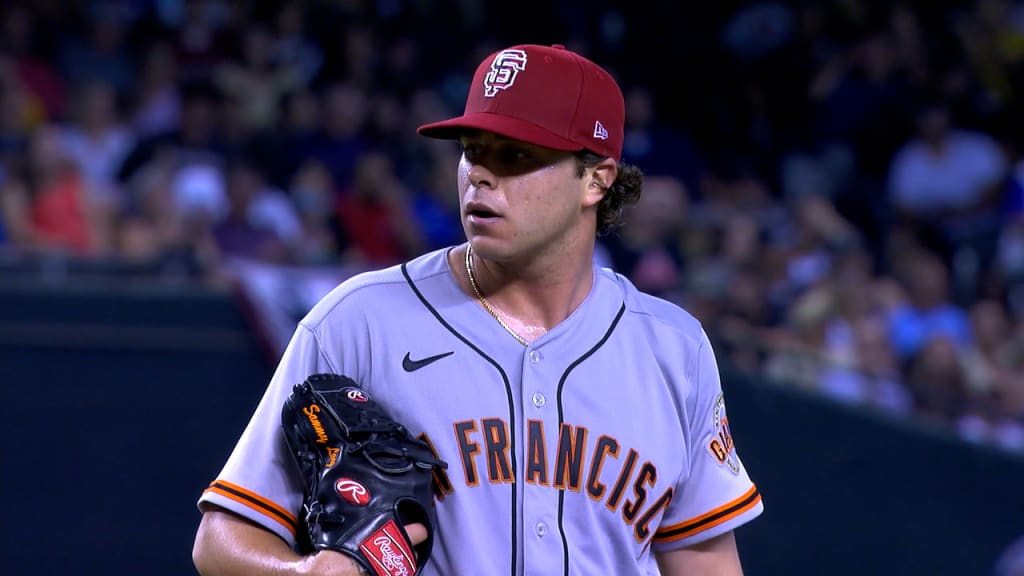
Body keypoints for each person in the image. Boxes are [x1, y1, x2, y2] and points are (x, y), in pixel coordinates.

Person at [192, 43, 764, 576]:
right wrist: (304, 574)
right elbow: (221, 537)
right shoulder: (358, 322)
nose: (481, 175)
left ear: (595, 179)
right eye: (473, 152)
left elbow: (704, 560)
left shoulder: (672, 348)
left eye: (516, 155)